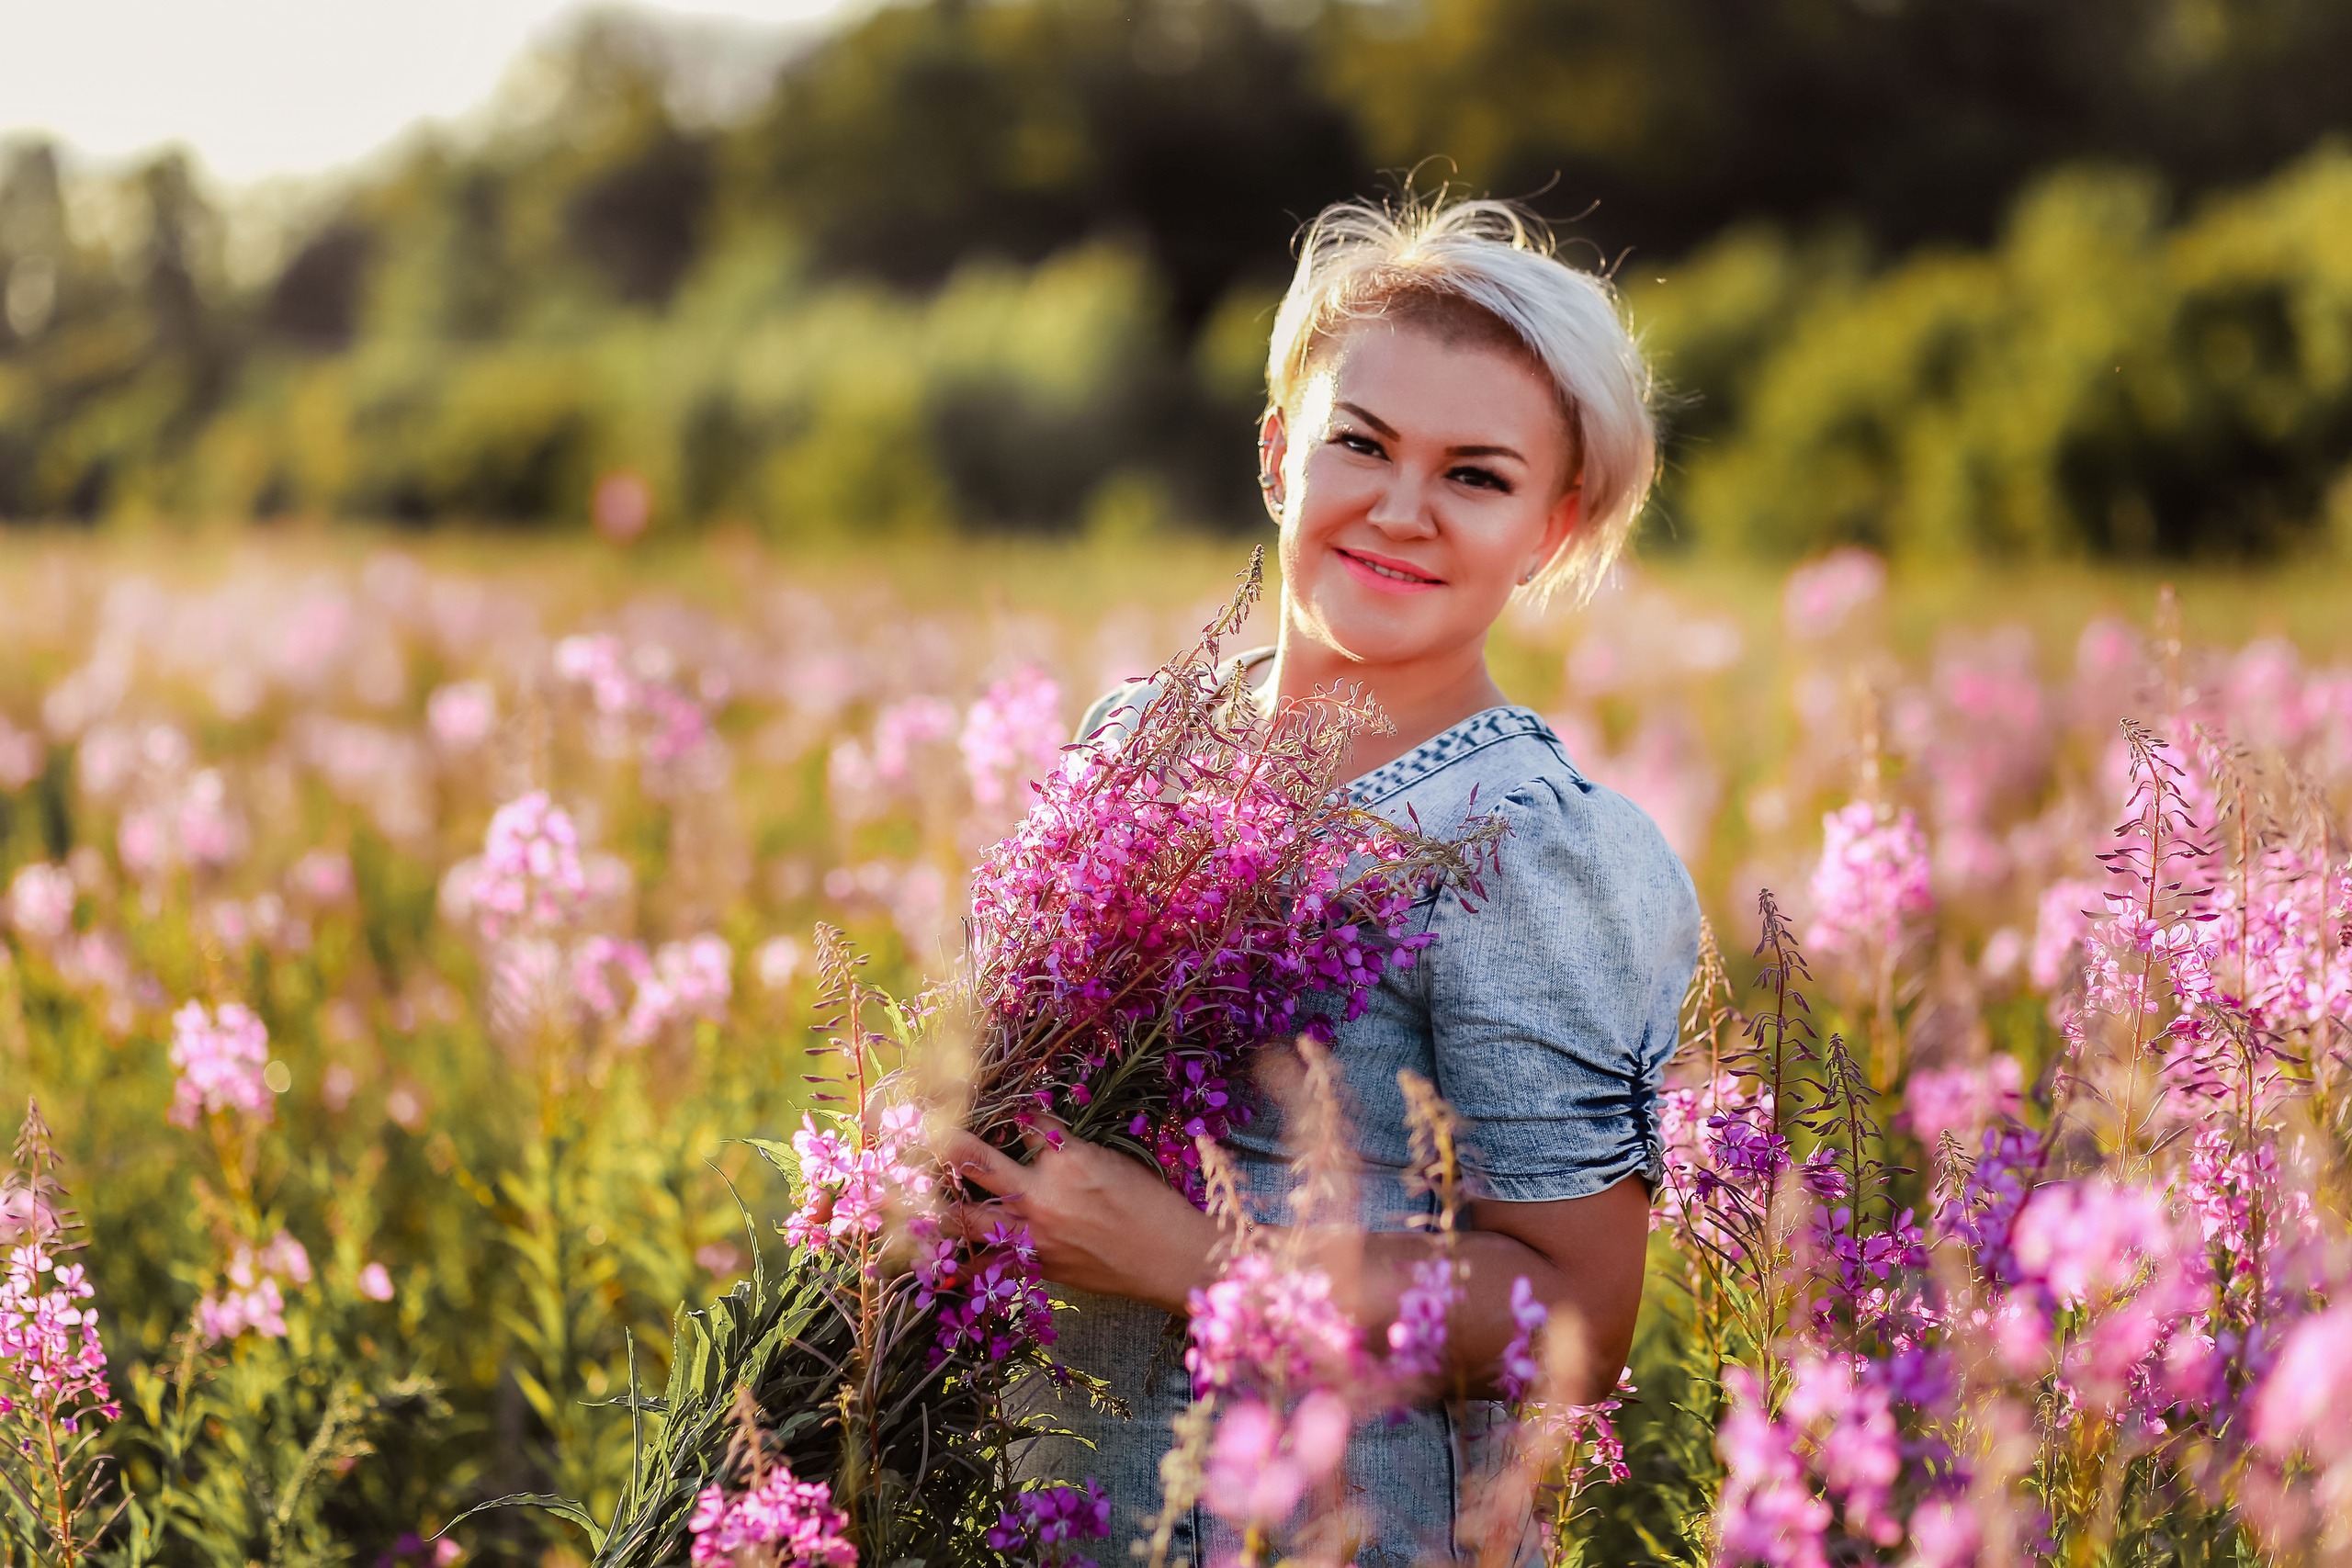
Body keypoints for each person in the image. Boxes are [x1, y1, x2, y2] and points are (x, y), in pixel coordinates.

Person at [941, 196, 1702, 1567]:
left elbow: (1577, 1324)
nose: (1400, 510)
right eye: (1360, 443)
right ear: (1279, 454)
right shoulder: (1134, 744)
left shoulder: (1533, 847)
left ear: (1551, 522)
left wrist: (1208, 1267)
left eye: (1476, 475)